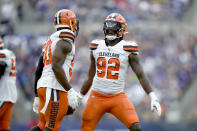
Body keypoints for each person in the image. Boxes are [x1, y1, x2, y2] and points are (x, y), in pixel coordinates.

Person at [80, 13, 162, 131]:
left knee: (136, 127)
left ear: (121, 29)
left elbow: (141, 75)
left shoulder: (128, 48)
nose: (109, 29)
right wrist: (79, 96)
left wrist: (152, 95)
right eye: (108, 26)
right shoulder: (96, 45)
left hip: (117, 97)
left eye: (113, 27)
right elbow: (90, 75)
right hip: (96, 96)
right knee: (86, 129)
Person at [30, 9, 82, 131]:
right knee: (51, 127)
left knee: (41, 126)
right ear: (70, 23)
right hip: (54, 87)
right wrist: (69, 91)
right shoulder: (65, 39)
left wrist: (37, 95)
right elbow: (56, 66)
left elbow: (38, 70)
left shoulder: (51, 40)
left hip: (43, 86)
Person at [0, 36, 17, 131]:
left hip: (3, 95)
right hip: (9, 95)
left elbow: (1, 68)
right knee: (4, 127)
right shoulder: (9, 53)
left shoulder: (3, 54)